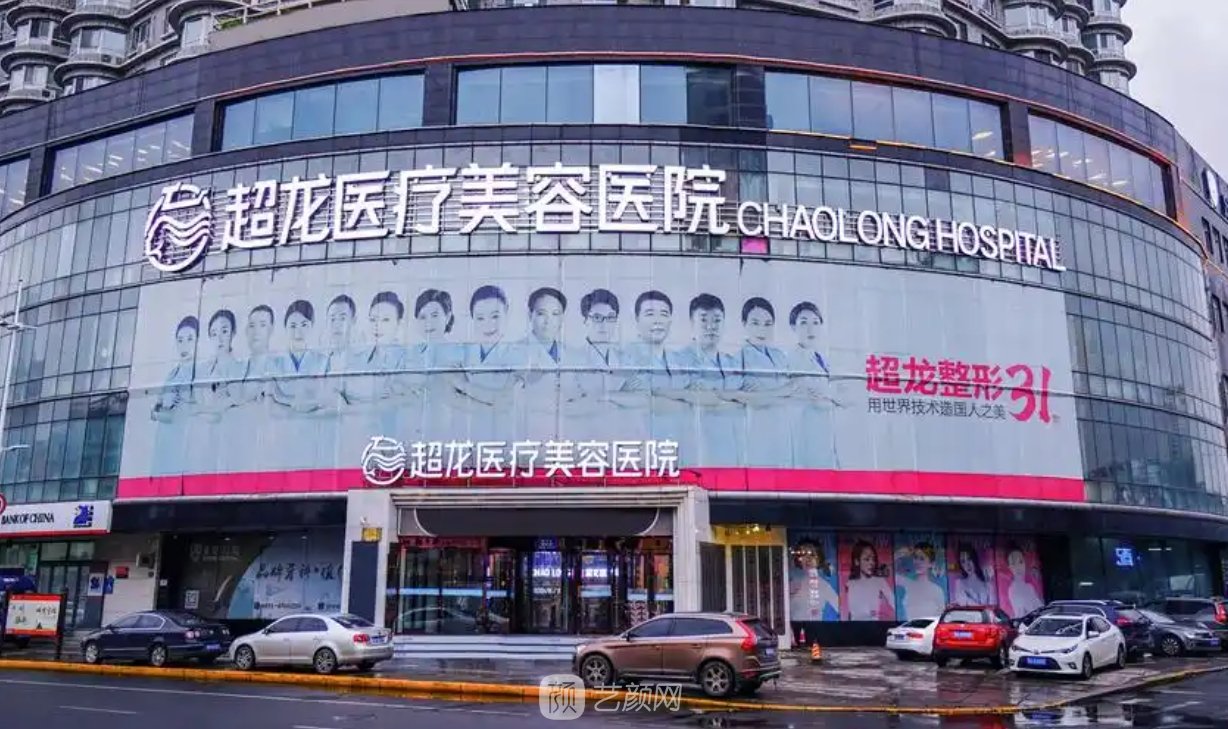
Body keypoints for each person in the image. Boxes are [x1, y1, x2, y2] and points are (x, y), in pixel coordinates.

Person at [619, 291, 693, 460]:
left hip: (678, 449)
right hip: (638, 450)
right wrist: (680, 399)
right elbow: (647, 403)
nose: (658, 320)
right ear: (637, 319)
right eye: (650, 314)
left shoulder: (679, 360)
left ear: (670, 321)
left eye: (664, 314)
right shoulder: (624, 358)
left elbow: (694, 399)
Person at [672, 294, 744, 466]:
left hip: (729, 443)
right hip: (695, 443)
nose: (711, 326)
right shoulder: (679, 360)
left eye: (717, 320)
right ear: (692, 323)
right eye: (703, 320)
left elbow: (742, 402)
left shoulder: (731, 363)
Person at [339, 292, 410, 456]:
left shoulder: (410, 359)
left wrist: (351, 407)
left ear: (399, 323)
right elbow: (337, 392)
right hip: (357, 442)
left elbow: (401, 402)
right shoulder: (356, 360)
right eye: (373, 320)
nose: (377, 326)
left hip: (396, 445)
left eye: (385, 320)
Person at [452, 285, 524, 446]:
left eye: (495, 316)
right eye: (480, 318)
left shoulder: (521, 354)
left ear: (507, 314)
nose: (488, 325)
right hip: (466, 439)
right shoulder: (461, 353)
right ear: (472, 319)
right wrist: (491, 401)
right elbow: (451, 399)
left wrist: (464, 386)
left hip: (505, 439)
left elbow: (505, 400)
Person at [269, 300, 331, 469]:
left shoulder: (322, 361)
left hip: (314, 432)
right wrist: (296, 403)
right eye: (293, 325)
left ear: (312, 326)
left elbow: (325, 399)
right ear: (285, 327)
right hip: (282, 434)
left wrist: (285, 400)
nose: (298, 331)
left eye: (304, 324)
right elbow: (271, 400)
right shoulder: (275, 363)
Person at [563, 289, 632, 442]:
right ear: (585, 320)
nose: (604, 324)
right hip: (585, 438)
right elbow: (567, 408)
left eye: (610, 318)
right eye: (597, 318)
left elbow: (641, 400)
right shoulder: (571, 359)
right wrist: (620, 400)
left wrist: (599, 398)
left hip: (624, 438)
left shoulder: (627, 359)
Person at [732, 297, 794, 466]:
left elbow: (794, 389)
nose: (762, 329)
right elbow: (747, 398)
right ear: (744, 324)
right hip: (755, 430)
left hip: (783, 429)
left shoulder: (780, 356)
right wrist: (782, 391)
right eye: (755, 323)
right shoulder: (738, 359)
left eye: (768, 324)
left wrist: (766, 394)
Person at [786, 301, 839, 468]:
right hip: (805, 429)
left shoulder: (821, 358)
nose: (811, 329)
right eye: (803, 323)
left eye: (815, 323)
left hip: (824, 430)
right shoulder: (793, 358)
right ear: (793, 327)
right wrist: (834, 399)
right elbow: (814, 397)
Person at [192, 309, 246, 473]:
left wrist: (211, 409)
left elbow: (237, 398)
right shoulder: (204, 369)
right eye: (214, 333)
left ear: (233, 333)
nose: (219, 338)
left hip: (227, 434)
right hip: (204, 433)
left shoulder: (237, 367)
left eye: (224, 331)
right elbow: (197, 400)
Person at [403, 289, 460, 443]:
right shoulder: (411, 354)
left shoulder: (458, 353)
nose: (428, 323)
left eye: (435, 316)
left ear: (447, 317)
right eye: (422, 317)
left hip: (447, 432)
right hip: (413, 432)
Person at [520, 287, 572, 442]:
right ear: (530, 315)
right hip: (526, 434)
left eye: (555, 314)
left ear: (562, 318)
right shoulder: (514, 351)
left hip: (566, 434)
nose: (548, 321)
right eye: (541, 314)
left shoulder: (572, 355)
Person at [150, 316, 199, 476]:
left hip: (182, 442)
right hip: (163, 441)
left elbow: (178, 414)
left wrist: (157, 414)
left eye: (190, 339)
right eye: (180, 340)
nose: (184, 345)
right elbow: (158, 405)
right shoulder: (172, 374)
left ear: (198, 341)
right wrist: (159, 412)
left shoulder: (197, 373)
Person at [789, 539, 839, 622]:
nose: (808, 559)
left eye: (812, 554)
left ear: (819, 559)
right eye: (803, 554)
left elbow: (841, 608)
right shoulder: (791, 583)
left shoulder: (823, 585)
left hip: (816, 628)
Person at [845, 540, 894, 621]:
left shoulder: (879, 581)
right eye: (867, 559)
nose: (872, 563)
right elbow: (849, 613)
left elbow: (894, 602)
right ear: (857, 561)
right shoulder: (850, 584)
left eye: (873, 559)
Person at [897, 542, 947, 619]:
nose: (918, 562)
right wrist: (899, 554)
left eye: (922, 559)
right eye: (915, 557)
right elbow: (889, 573)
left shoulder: (937, 591)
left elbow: (942, 617)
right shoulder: (908, 584)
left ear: (931, 564)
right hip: (909, 626)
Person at [1003, 542, 1043, 617]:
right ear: (1009, 567)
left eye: (1020, 562)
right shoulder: (1012, 589)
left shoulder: (1029, 587)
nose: (1018, 567)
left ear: (1025, 562)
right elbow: (1020, 614)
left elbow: (1040, 608)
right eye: (1013, 563)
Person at [951, 542, 993, 606]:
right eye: (963, 561)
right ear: (961, 564)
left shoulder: (987, 584)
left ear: (974, 558)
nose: (967, 564)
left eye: (969, 559)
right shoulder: (960, 584)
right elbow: (962, 603)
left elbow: (992, 605)